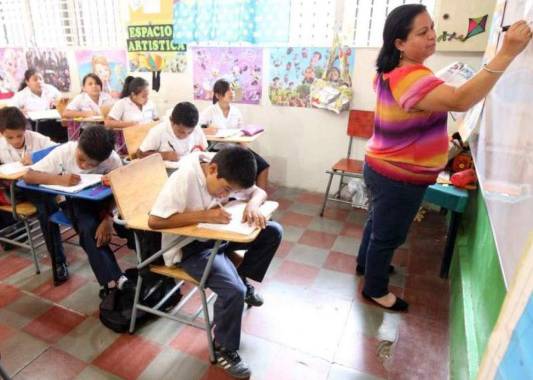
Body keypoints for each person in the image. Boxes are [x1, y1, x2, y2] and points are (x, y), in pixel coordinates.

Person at [357, 4, 532, 312]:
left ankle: (366, 265)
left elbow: (420, 100)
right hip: (397, 176)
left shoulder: (390, 70)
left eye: (432, 28)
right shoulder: (409, 78)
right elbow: (461, 100)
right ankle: (374, 288)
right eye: (422, 32)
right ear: (400, 43)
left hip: (381, 166)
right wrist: (507, 53)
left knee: (377, 223)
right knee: (389, 234)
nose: (432, 37)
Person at [148, 147, 282, 379]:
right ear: (211, 170)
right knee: (232, 291)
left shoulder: (225, 171)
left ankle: (240, 279)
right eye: (226, 190)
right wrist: (204, 215)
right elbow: (155, 221)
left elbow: (258, 191)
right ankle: (224, 347)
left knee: (273, 231)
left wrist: (252, 205)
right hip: (190, 247)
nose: (225, 196)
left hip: (217, 236)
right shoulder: (185, 178)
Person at [23, 125, 129, 295]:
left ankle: (147, 273)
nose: (85, 165)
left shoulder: (112, 159)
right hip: (74, 202)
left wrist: (108, 218)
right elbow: (28, 176)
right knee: (89, 227)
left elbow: (120, 191)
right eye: (81, 159)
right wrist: (59, 180)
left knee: (131, 227)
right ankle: (116, 280)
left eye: (92, 164)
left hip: (104, 203)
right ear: (78, 144)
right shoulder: (64, 152)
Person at [199, 79, 270, 190]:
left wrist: (245, 151)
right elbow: (195, 129)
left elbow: (241, 134)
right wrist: (207, 130)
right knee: (237, 170)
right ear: (218, 95)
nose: (231, 92)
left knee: (263, 166)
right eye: (228, 90)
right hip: (218, 150)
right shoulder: (210, 111)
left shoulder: (236, 112)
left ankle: (260, 197)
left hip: (236, 149)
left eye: (231, 89)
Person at [138, 101, 207, 161]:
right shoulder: (159, 131)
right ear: (172, 122)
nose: (185, 136)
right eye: (181, 132)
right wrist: (164, 155)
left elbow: (204, 149)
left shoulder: (196, 128)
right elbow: (140, 153)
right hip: (165, 171)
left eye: (190, 132)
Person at [11, 68, 67, 143]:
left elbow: (62, 101)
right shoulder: (22, 95)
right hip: (35, 123)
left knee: (64, 124)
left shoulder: (50, 89)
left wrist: (57, 103)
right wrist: (20, 111)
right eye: (35, 79)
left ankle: (61, 144)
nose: (39, 82)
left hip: (53, 120)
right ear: (27, 82)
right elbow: (10, 109)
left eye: (41, 79)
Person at [105, 76, 159, 154]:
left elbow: (156, 120)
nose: (147, 99)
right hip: (131, 141)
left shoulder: (150, 103)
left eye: (147, 95)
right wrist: (130, 124)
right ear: (133, 95)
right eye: (143, 96)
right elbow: (108, 123)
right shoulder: (122, 103)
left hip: (148, 139)